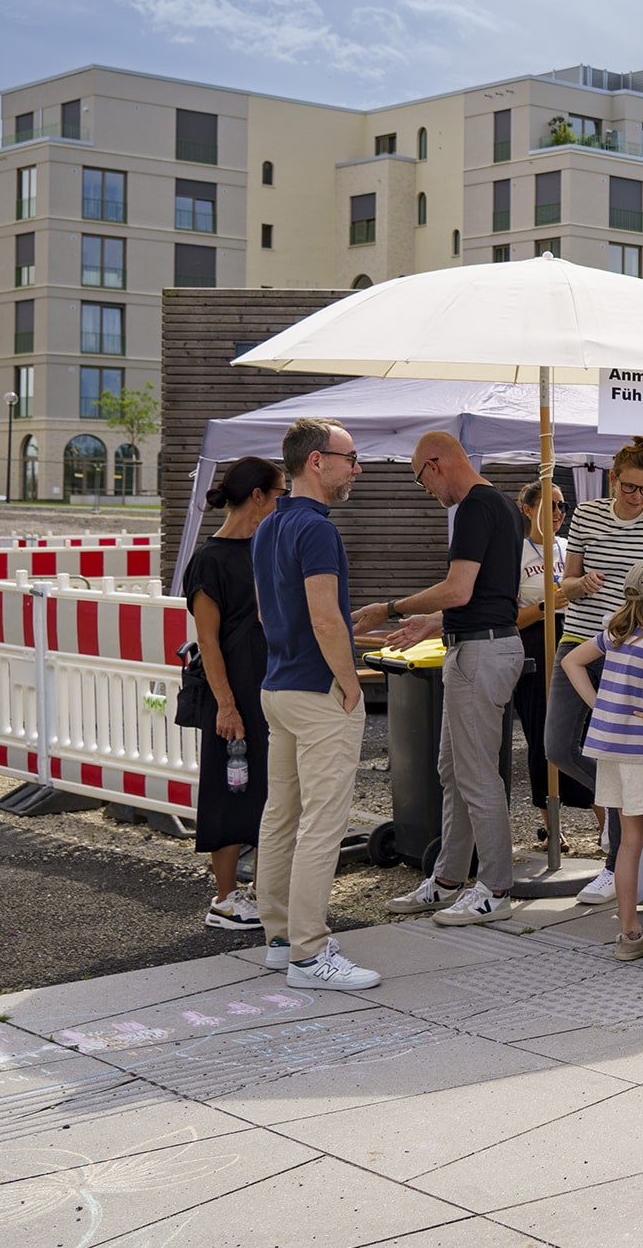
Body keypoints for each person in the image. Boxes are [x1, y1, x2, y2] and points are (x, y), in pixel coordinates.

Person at [359, 432, 527, 926]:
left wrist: (389, 607)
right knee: (453, 772)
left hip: (480, 654)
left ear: (435, 465)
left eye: (420, 480)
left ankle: (495, 888)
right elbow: (492, 593)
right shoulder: (502, 505)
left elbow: (458, 589)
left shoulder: (475, 507)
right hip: (483, 644)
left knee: (474, 776)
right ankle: (449, 877)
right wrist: (433, 623)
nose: (427, 492)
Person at [251, 417, 380, 990]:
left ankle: (282, 940)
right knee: (322, 824)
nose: (357, 468)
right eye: (350, 457)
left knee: (281, 818)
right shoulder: (318, 530)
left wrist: (333, 644)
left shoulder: (267, 527)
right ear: (316, 461)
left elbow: (269, 614)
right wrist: (350, 679)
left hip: (278, 686)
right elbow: (324, 616)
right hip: (317, 691)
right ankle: (309, 954)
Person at [549, 437, 643, 907]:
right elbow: (564, 586)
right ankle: (619, 807)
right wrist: (581, 583)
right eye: (631, 488)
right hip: (582, 640)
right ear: (613, 479)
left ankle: (615, 863)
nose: (638, 497)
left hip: (634, 651)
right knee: (558, 745)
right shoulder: (588, 515)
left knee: (625, 757)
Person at [561, 559, 643, 966]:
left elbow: (571, 662)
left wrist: (599, 705)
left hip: (611, 751)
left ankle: (628, 934)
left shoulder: (615, 633)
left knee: (629, 843)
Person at [184, 455, 282, 934]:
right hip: (232, 694)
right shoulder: (209, 559)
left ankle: (263, 894)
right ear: (259, 496)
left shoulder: (266, 546)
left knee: (270, 791)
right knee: (228, 792)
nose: (284, 500)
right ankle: (224, 899)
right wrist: (225, 704)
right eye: (280, 492)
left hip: (270, 686)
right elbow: (208, 641)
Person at [512, 481, 595, 854]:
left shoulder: (569, 549)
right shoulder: (515, 554)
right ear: (528, 509)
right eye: (551, 506)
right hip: (536, 643)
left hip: (575, 640)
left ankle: (604, 822)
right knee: (542, 733)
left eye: (563, 506)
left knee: (587, 731)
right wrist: (550, 603)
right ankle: (550, 825)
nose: (559, 513)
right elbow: (509, 617)